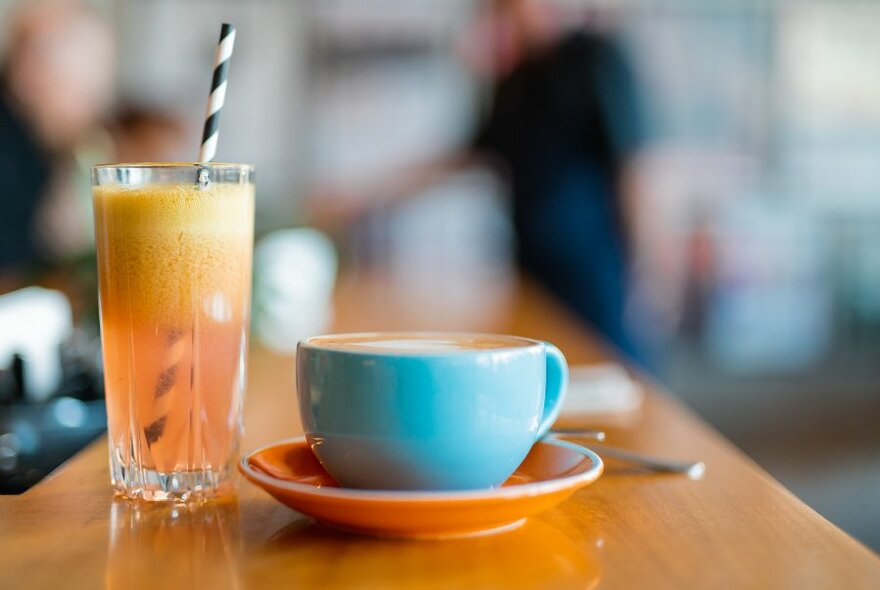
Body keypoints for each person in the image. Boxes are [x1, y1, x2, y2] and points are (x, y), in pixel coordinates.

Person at [309, 0, 651, 367]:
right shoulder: (516, 82)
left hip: (596, 279)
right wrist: (363, 195)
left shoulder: (597, 59)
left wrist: (647, 272)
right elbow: (461, 158)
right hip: (532, 276)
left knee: (618, 377)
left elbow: (635, 170)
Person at [0, 0, 115, 273]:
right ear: (28, 71)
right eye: (82, 88)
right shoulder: (9, 153)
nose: (95, 105)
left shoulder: (41, 144)